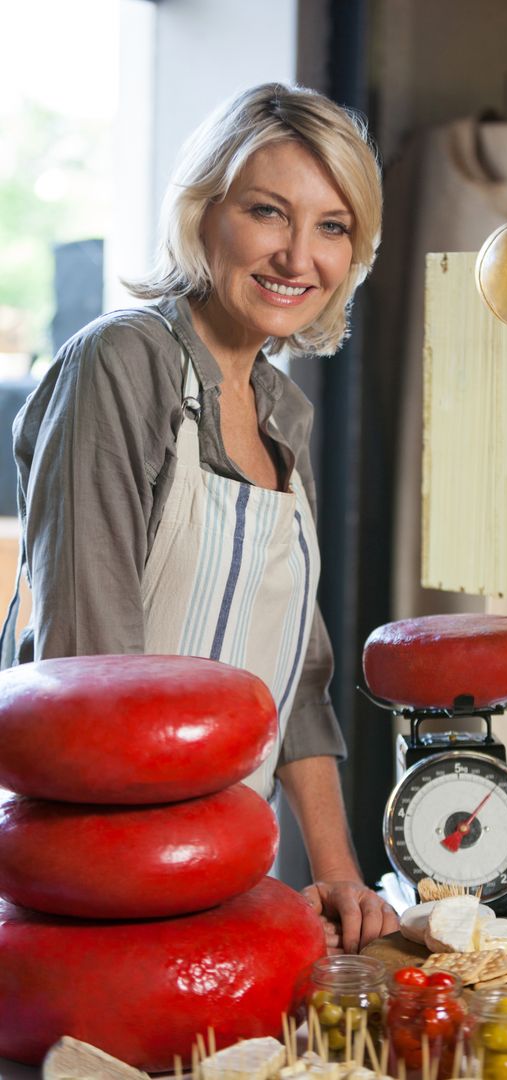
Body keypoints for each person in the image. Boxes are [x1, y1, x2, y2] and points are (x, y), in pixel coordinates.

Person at [5, 83, 399, 953]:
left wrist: (338, 874)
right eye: (269, 212)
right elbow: (84, 670)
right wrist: (187, 889)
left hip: (216, 877)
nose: (298, 256)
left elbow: (295, 683)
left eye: (332, 227)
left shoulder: (281, 411)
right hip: (94, 884)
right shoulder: (120, 365)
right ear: (204, 211)